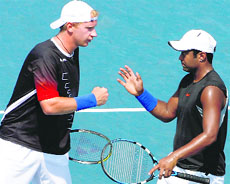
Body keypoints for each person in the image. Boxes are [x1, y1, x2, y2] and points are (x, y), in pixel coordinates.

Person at [0, 1, 108, 184]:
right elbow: (49, 105)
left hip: (55, 151)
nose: (94, 34)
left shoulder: (72, 52)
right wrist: (91, 100)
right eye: (89, 28)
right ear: (70, 27)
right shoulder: (45, 55)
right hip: (19, 147)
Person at [117, 29, 228, 184]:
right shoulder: (188, 81)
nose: (180, 57)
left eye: (184, 53)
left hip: (201, 175)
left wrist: (174, 156)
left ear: (201, 56)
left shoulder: (211, 90)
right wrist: (140, 94)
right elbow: (168, 112)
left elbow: (210, 135)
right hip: (179, 166)